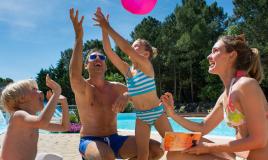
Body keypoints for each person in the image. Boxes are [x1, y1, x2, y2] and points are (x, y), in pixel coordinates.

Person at [69, 8, 163, 160]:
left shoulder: (117, 87)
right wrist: (79, 37)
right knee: (107, 157)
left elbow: (142, 95)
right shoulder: (83, 88)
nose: (98, 58)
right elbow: (74, 75)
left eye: (101, 57)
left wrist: (127, 94)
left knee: (156, 149)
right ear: (86, 65)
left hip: (115, 139)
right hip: (90, 140)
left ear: (106, 66)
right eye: (93, 57)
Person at [161, 35, 268, 160]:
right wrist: (172, 114)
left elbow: (259, 140)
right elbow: (203, 127)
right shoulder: (226, 94)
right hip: (241, 155)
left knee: (179, 153)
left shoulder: (246, 85)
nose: (208, 56)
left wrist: (208, 148)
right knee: (177, 147)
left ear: (231, 56)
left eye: (215, 51)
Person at [93, 7, 173, 159]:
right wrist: (104, 29)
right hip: (141, 116)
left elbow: (126, 48)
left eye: (136, 46)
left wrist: (108, 26)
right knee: (143, 154)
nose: (132, 48)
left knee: (173, 145)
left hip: (156, 112)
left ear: (146, 54)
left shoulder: (147, 67)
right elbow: (109, 51)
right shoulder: (128, 71)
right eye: (133, 45)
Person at [0, 75, 69, 160]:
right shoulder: (18, 116)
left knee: (56, 158)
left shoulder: (33, 122)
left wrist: (64, 102)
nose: (41, 92)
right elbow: (43, 121)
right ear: (22, 98)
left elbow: (64, 127)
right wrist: (56, 93)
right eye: (34, 89)